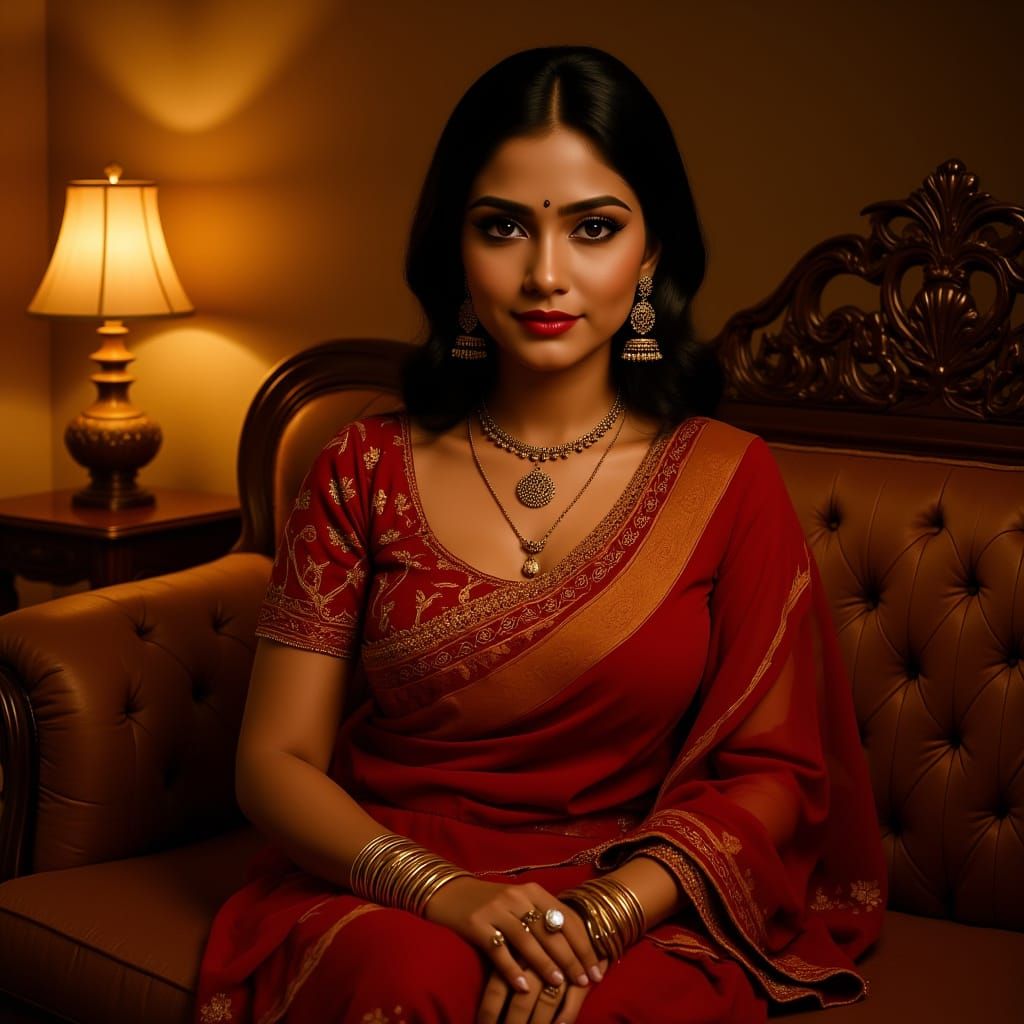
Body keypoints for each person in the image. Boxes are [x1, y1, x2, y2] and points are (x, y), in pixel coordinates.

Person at [193, 45, 885, 1024]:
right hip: (389, 878)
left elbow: (774, 775)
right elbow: (274, 760)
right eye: (503, 227)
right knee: (417, 981)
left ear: (649, 256)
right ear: (453, 251)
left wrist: (599, 915)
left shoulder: (727, 478)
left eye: (593, 228)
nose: (545, 273)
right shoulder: (362, 467)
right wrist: (445, 893)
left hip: (634, 886)